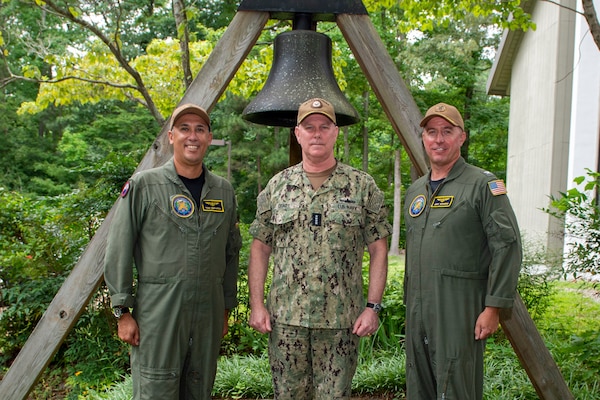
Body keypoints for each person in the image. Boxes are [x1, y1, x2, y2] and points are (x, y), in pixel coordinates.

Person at [248, 97, 392, 400]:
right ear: (297, 134)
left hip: (341, 322)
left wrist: (372, 307)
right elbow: (260, 248)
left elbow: (379, 250)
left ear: (335, 132)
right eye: (309, 127)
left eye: (324, 127)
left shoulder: (362, 187)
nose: (317, 134)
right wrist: (257, 305)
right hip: (286, 321)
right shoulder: (277, 187)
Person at [104, 103, 242, 400]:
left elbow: (231, 254)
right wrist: (122, 310)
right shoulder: (144, 186)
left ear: (209, 138)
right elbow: (119, 247)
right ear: (171, 136)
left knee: (199, 387)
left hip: (208, 312)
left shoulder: (223, 191)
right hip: (158, 312)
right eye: (184, 129)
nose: (192, 136)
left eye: (200, 129)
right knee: (156, 389)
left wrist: (226, 309)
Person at [403, 102, 522, 400]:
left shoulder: (483, 185)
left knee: (456, 386)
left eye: (447, 131)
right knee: (419, 385)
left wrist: (494, 307)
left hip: (458, 308)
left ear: (462, 137)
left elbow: (506, 245)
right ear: (424, 138)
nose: (438, 139)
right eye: (431, 132)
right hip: (418, 306)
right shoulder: (415, 191)